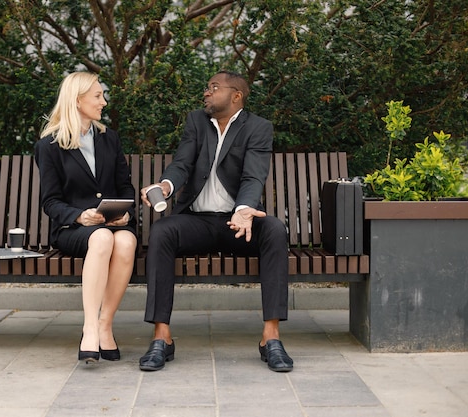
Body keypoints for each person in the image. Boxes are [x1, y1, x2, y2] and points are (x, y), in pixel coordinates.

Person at [138, 71, 293, 373]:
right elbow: (182, 163)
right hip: (198, 221)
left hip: (238, 224)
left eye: (213, 88)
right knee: (161, 232)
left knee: (274, 229)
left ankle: (271, 337)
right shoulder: (197, 121)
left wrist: (244, 209)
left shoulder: (258, 128)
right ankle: (161, 337)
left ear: (237, 96)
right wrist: (166, 186)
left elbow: (253, 175)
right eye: (206, 87)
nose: (206, 93)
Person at [35, 72, 137, 365]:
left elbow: (125, 186)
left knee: (127, 241)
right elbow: (51, 202)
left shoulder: (109, 138)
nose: (103, 102)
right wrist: (80, 216)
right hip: (73, 229)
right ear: (77, 100)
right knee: (102, 237)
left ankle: (106, 325)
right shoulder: (49, 146)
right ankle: (90, 328)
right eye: (97, 96)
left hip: (112, 224)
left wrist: (125, 212)